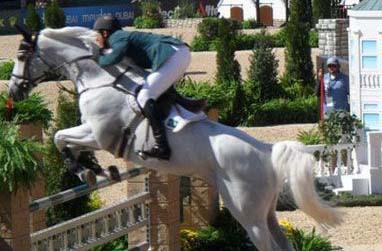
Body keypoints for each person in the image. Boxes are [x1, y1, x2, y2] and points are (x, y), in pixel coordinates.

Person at [93, 15, 191, 160]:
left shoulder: (117, 37)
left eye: (97, 35)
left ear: (105, 33)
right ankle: (183, 111)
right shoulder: (121, 37)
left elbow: (113, 59)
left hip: (173, 54)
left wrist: (96, 57)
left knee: (144, 95)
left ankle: (162, 147)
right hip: (177, 53)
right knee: (155, 88)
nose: (97, 40)